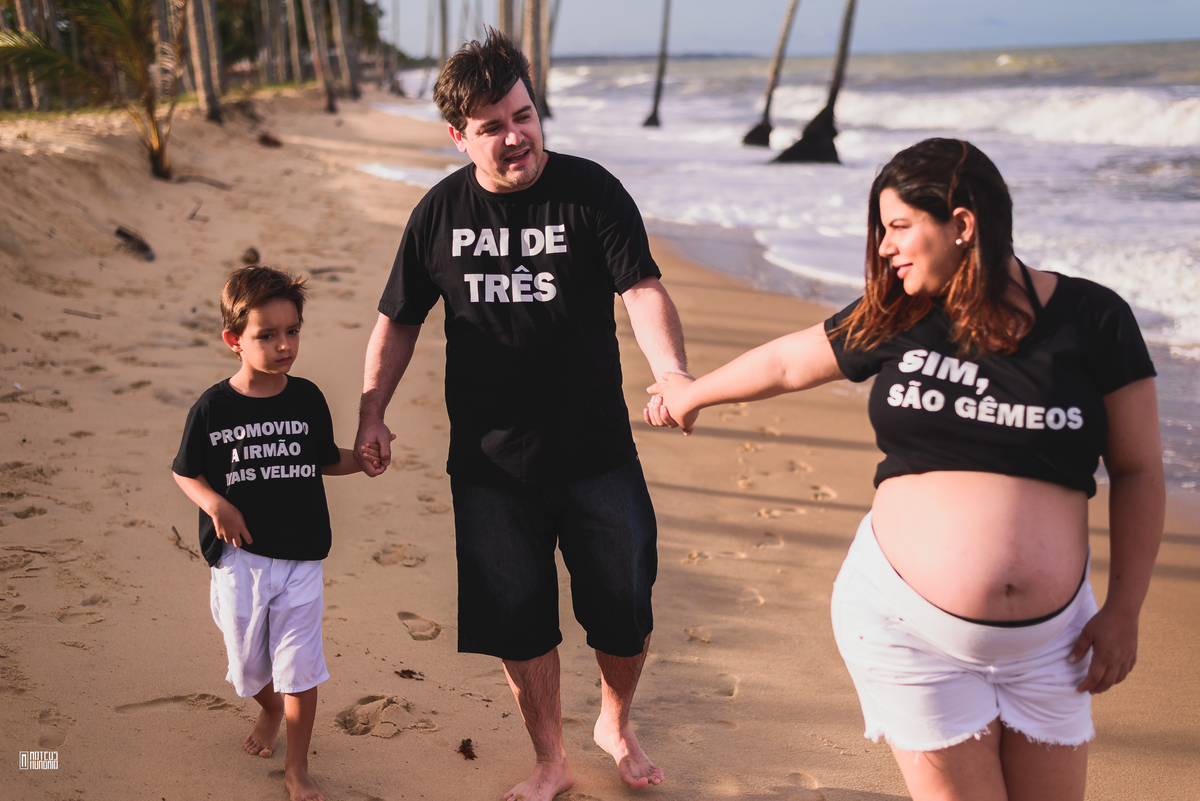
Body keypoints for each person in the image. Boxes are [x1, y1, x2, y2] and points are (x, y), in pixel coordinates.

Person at [650, 138, 1163, 801]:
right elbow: (788, 362)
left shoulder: (1094, 320)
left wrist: (1125, 610)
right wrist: (692, 393)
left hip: (1052, 646)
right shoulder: (903, 312)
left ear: (962, 224)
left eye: (897, 226)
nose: (884, 247)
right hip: (909, 632)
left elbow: (1139, 470)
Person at [354, 29, 687, 801]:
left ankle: (615, 721)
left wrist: (670, 371)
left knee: (624, 604)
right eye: (493, 126)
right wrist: (373, 412)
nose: (516, 136)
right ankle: (550, 758)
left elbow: (641, 290)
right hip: (490, 466)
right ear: (458, 136)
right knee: (517, 618)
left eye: (524, 115)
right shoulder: (438, 214)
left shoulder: (592, 193)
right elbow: (397, 319)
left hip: (596, 451)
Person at [173, 266, 381, 801]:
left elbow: (321, 459)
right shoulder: (213, 408)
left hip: (301, 556)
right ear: (234, 341)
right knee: (246, 668)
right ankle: (268, 708)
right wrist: (216, 504)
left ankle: (297, 766)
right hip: (239, 558)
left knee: (299, 667)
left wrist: (362, 461)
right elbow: (185, 472)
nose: (284, 345)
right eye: (267, 335)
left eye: (292, 331)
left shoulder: (307, 398)